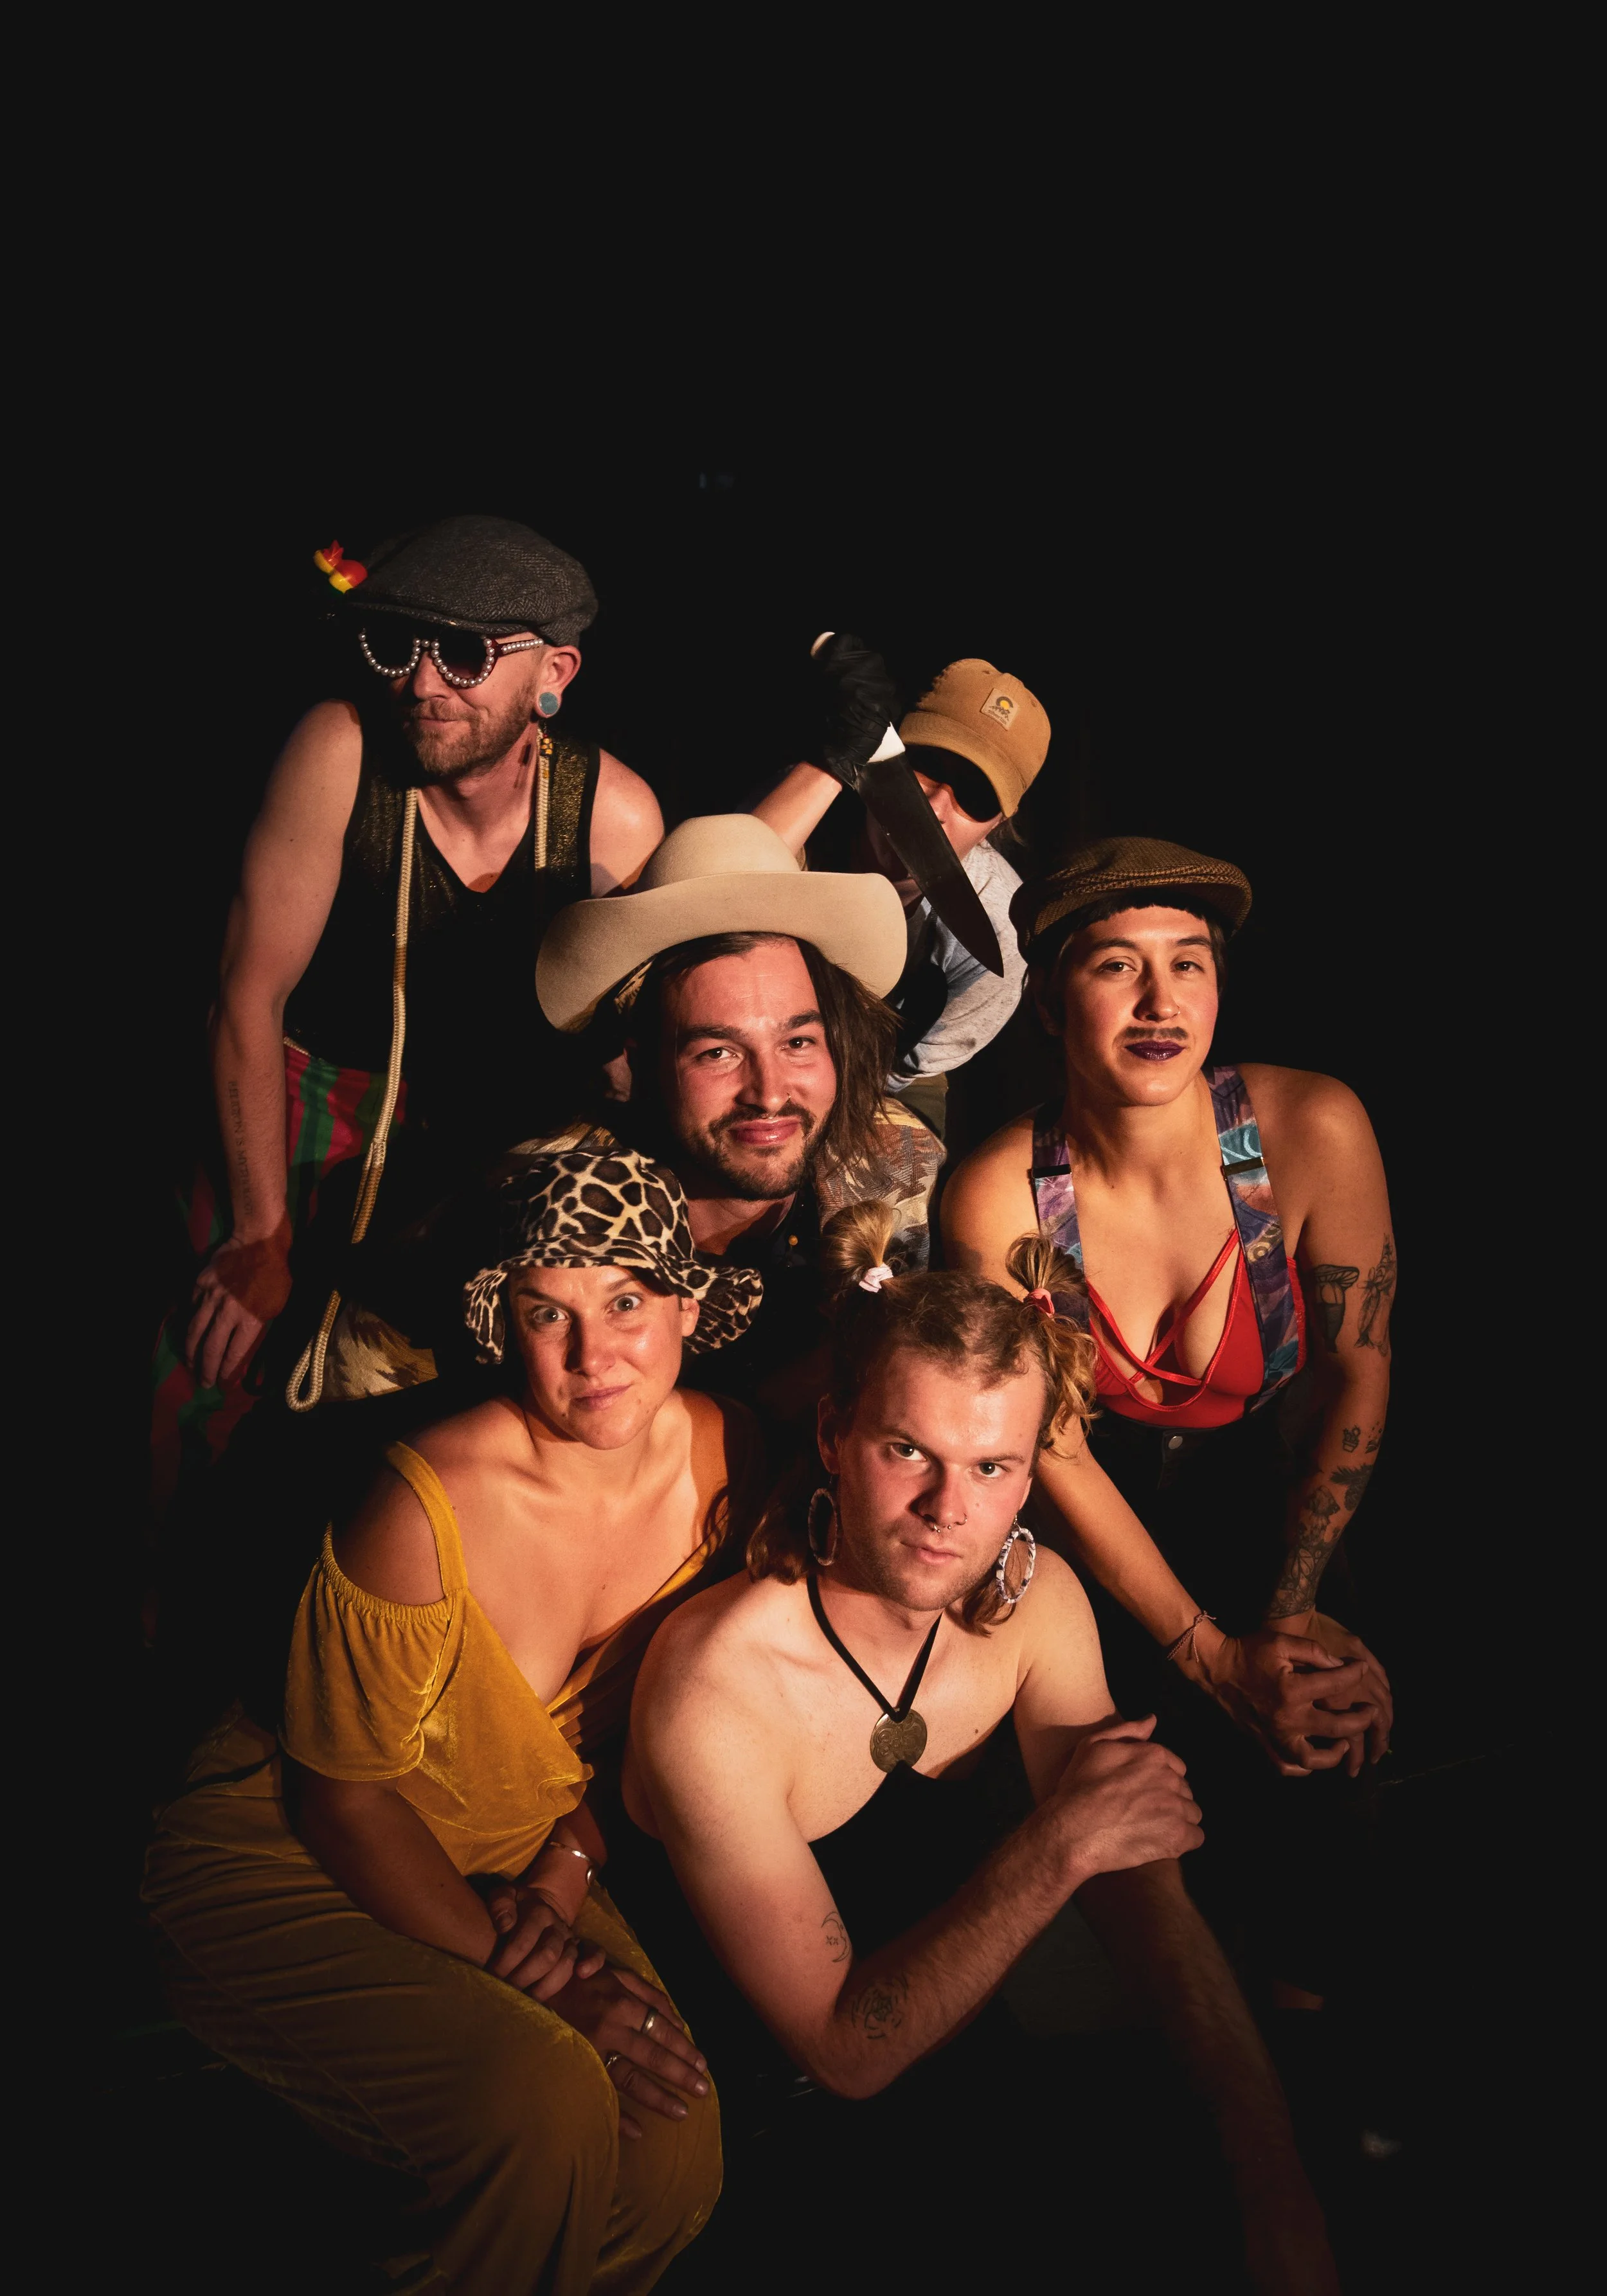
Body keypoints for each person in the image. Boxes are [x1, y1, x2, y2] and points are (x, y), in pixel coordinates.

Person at [615, 1206, 1336, 2293]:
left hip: (964, 2081)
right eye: (910, 1452)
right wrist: (1059, 1845)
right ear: (833, 1439)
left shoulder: (1035, 1602)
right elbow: (843, 2052)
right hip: (759, 2130)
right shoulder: (716, 1685)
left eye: (995, 1469)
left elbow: (1151, 1908)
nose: (950, 1512)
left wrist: (1281, 2198)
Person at [144, 1150, 765, 2295]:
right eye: (550, 1313)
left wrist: (566, 1874)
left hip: (507, 1853)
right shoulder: (427, 1502)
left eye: (626, 1300)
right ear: (503, 1324)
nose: (595, 1355)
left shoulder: (734, 1462)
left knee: (673, 2148)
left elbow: (668, 1727)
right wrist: (537, 1973)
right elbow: (337, 1796)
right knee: (540, 2109)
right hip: (287, 1849)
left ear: (688, 1300)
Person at [941, 835, 1394, 2004]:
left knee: (1325, 1737)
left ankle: (1332, 2066)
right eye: (1116, 967)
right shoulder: (998, 1192)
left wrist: (1288, 1623)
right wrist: (1212, 1659)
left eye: (1187, 966)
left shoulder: (1309, 1127)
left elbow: (1354, 1374)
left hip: (1274, 1514)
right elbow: (1054, 1451)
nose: (1159, 1002)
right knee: (1148, 1856)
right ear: (1047, 1002)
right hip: (1086, 1550)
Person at [157, 514, 664, 1501]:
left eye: (467, 654)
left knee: (424, 1418)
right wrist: (260, 1233)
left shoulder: (614, 813)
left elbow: (629, 1039)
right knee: (206, 1373)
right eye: (396, 647)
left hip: (483, 1135)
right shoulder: (342, 749)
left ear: (554, 670)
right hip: (310, 1102)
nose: (424, 683)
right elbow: (245, 994)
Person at [318, 814, 944, 1429]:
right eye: (717, 1052)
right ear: (641, 1059)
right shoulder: (526, 1201)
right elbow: (357, 1414)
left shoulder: (903, 1164)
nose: (769, 1093)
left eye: (798, 1043)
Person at [753, 637, 1051, 1138]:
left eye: (974, 797)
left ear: (998, 823)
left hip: (881, 1078)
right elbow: (705, 902)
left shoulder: (1000, 929)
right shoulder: (801, 809)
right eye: (927, 767)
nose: (935, 807)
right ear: (881, 757)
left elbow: (909, 1068)